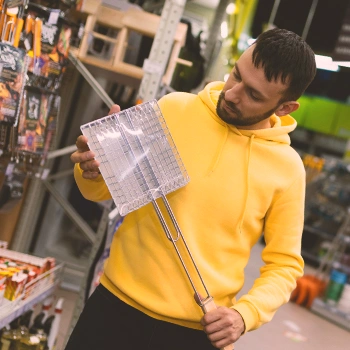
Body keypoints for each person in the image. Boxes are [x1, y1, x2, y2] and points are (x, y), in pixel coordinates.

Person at [66, 28, 316, 350]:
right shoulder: (174, 110)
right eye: (235, 75)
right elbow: (98, 192)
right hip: (114, 309)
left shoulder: (287, 169)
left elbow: (285, 265)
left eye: (253, 95)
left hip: (196, 333)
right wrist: (92, 169)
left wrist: (245, 315)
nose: (232, 93)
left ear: (284, 108)